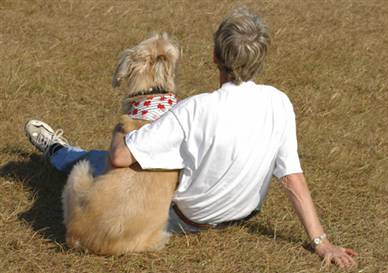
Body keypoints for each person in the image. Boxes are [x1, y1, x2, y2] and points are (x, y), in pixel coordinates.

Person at [25, 7, 357, 268]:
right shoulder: (279, 103)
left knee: (107, 159)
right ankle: (64, 152)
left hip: (187, 220)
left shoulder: (194, 109)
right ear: (260, 59)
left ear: (215, 57)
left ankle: (59, 151)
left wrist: (121, 127)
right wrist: (320, 242)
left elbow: (120, 157)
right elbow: (293, 178)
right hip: (242, 213)